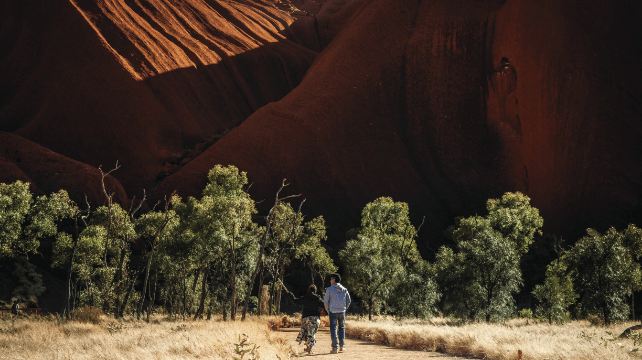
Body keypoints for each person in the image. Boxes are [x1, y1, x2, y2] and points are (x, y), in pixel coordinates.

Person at [283, 282, 325, 354]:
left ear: (308, 290)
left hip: (306, 318)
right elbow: (324, 306)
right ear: (315, 291)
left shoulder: (305, 297)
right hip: (315, 318)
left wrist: (290, 294)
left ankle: (308, 347)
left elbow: (295, 301)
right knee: (312, 333)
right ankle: (310, 348)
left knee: (306, 332)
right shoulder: (318, 298)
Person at [324, 273, 351, 354]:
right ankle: (342, 347)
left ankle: (335, 348)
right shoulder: (344, 289)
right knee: (342, 328)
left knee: (333, 329)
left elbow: (326, 302)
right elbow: (349, 300)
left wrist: (328, 310)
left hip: (333, 311)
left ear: (334, 279)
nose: (330, 281)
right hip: (342, 311)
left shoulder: (329, 289)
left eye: (331, 279)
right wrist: (344, 308)